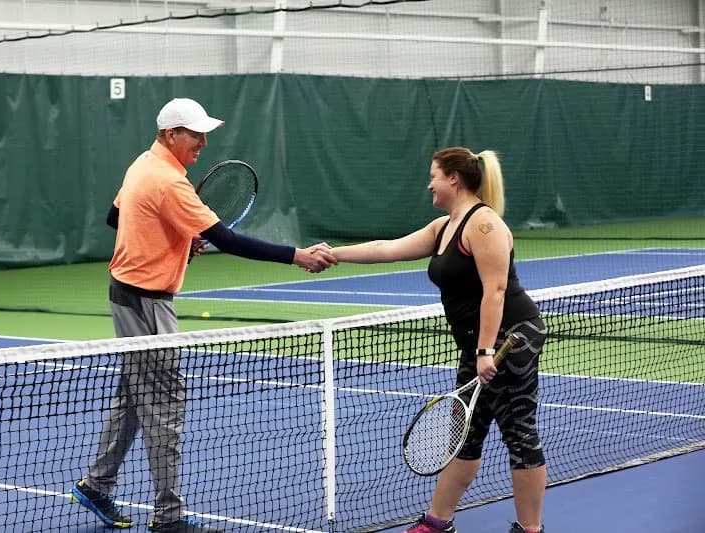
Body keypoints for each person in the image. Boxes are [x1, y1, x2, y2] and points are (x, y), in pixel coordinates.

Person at [71, 97, 337, 533]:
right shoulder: (169, 183)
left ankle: (97, 484)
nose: (203, 141)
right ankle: (169, 516)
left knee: (136, 399)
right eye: (195, 133)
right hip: (147, 303)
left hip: (126, 295)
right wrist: (297, 256)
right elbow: (228, 241)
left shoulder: (142, 165)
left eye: (204, 133)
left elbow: (115, 216)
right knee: (164, 408)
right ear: (170, 134)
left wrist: (175, 239)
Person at [330, 147, 547, 533]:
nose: (429, 183)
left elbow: (495, 291)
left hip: (511, 340)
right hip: (477, 345)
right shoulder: (444, 227)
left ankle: (530, 530)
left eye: (433, 175)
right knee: (464, 434)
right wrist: (333, 254)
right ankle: (436, 523)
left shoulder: (485, 226)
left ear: (453, 178)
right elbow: (387, 249)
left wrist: (484, 352)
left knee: (519, 434)